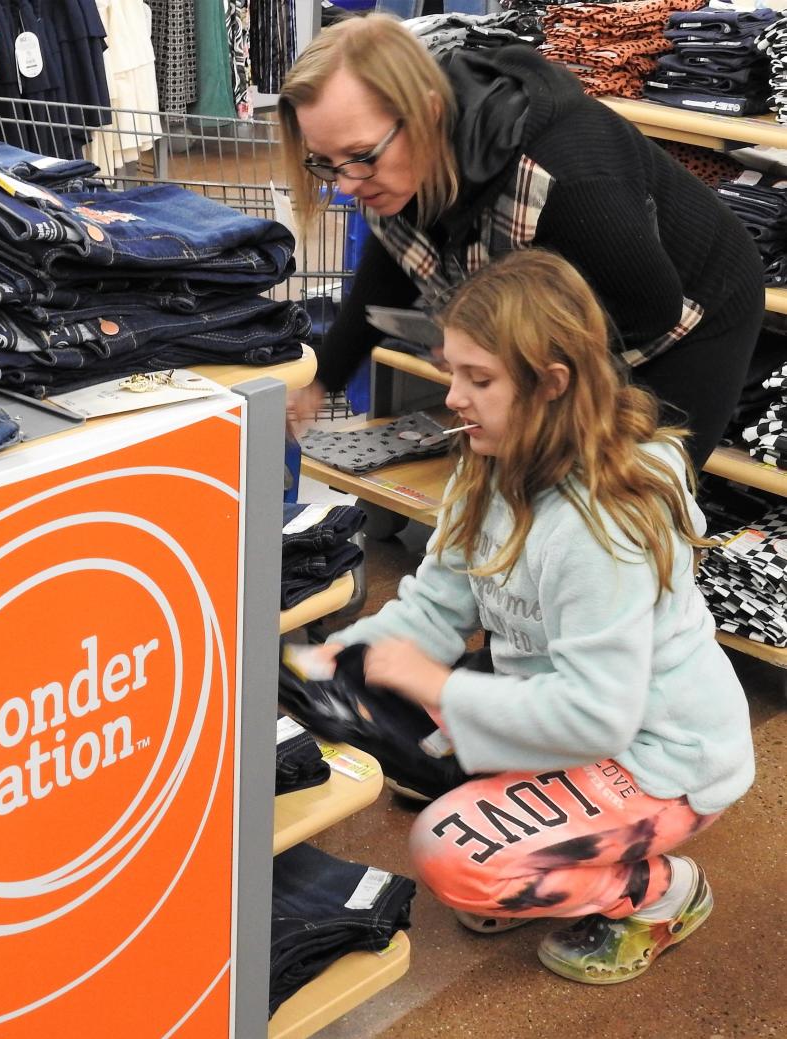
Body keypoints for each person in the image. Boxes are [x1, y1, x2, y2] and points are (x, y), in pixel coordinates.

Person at [296, 248, 755, 984]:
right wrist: (343, 660)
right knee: (405, 730)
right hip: (569, 713)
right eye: (452, 371)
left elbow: (597, 715)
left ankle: (661, 892)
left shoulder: (598, 526)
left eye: (478, 379)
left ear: (551, 386)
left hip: (661, 753)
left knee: (448, 849)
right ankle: (535, 850)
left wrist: (436, 686)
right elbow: (435, 604)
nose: (452, 397)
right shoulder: (491, 464)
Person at [278, 13, 765, 468]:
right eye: (324, 161)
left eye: (360, 156)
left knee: (631, 498)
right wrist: (322, 383)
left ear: (426, 112)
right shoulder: (387, 162)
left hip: (692, 313)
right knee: (534, 481)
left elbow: (649, 309)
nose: (344, 185)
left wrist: (504, 352)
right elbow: (386, 273)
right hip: (584, 317)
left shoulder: (567, 179)